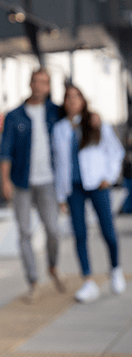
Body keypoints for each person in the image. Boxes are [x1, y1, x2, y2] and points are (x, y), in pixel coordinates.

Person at [53, 84, 126, 302]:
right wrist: (60, 196)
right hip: (73, 188)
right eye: (68, 97)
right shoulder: (59, 129)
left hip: (97, 185)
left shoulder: (96, 123)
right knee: (80, 234)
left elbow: (116, 152)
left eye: (77, 97)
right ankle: (88, 282)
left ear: (83, 101)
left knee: (108, 231)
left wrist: (110, 177)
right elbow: (59, 164)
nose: (72, 101)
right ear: (64, 103)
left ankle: (115, 269)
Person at [0, 67, 64, 303]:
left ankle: (53, 267)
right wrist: (5, 180)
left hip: (48, 181)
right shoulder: (14, 116)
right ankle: (34, 282)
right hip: (22, 182)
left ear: (49, 86)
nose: (41, 86)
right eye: (37, 81)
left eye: (45, 82)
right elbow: (5, 150)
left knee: (53, 230)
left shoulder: (55, 112)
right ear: (30, 84)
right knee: (25, 232)